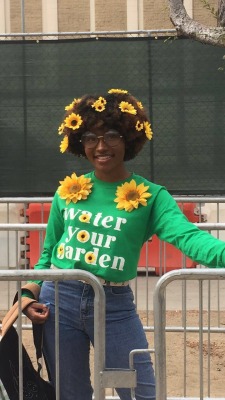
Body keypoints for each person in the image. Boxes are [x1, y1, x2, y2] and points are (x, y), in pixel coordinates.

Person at [23, 88, 225, 400]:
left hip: (114, 303)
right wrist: (27, 292)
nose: (101, 146)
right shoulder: (68, 191)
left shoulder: (152, 195)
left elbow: (188, 237)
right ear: (81, 143)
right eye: (91, 137)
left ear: (129, 139)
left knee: (142, 392)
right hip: (58, 300)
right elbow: (48, 253)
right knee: (70, 394)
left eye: (112, 135)